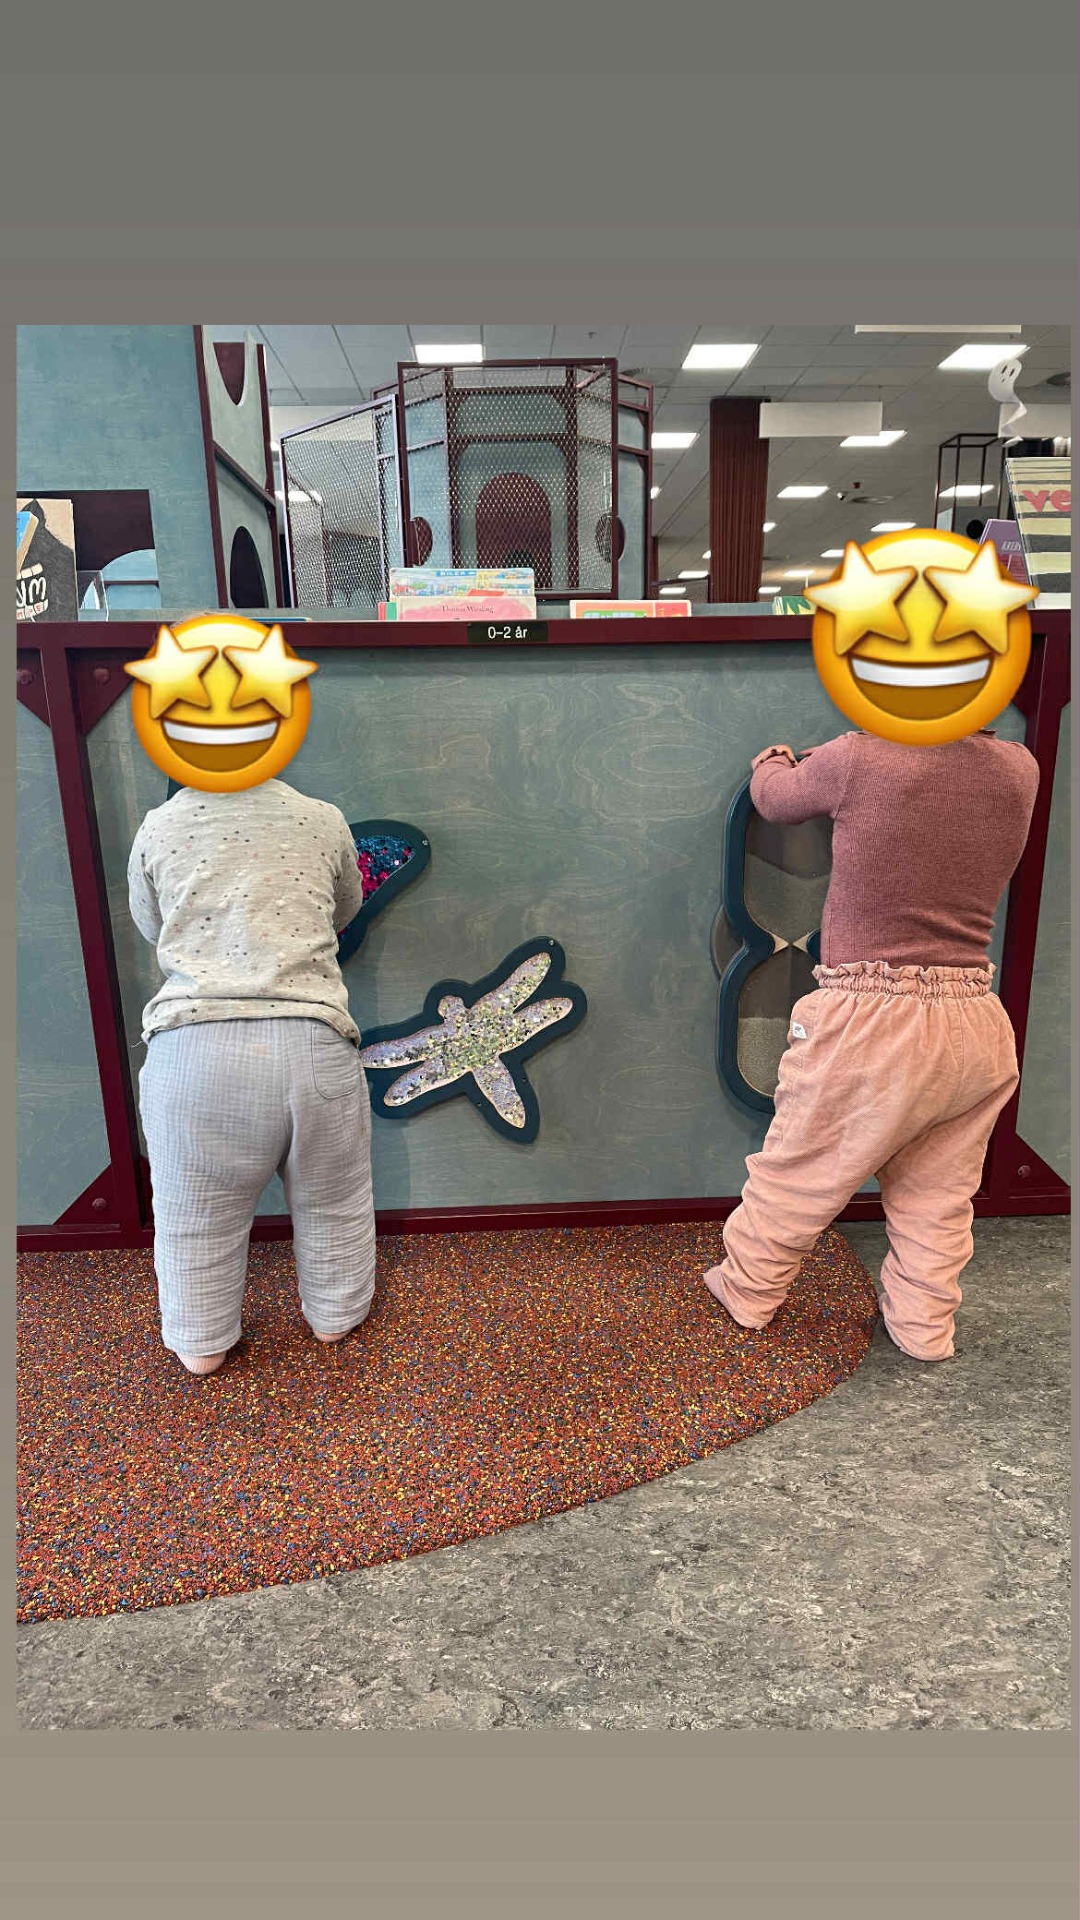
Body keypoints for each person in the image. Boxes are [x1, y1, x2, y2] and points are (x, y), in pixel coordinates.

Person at [704, 728, 1039, 1361]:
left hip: (869, 1013)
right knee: (937, 1195)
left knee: (800, 1171)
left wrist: (773, 759)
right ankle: (924, 1328)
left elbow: (774, 800)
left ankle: (747, 1289)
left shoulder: (859, 757)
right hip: (975, 1018)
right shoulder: (1019, 767)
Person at [127, 778, 375, 1376]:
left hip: (194, 1045)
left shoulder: (160, 825)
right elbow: (345, 907)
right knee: (335, 1198)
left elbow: (152, 922)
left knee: (193, 1215)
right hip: (313, 1035)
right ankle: (335, 1317)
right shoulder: (322, 816)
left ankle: (201, 1343)